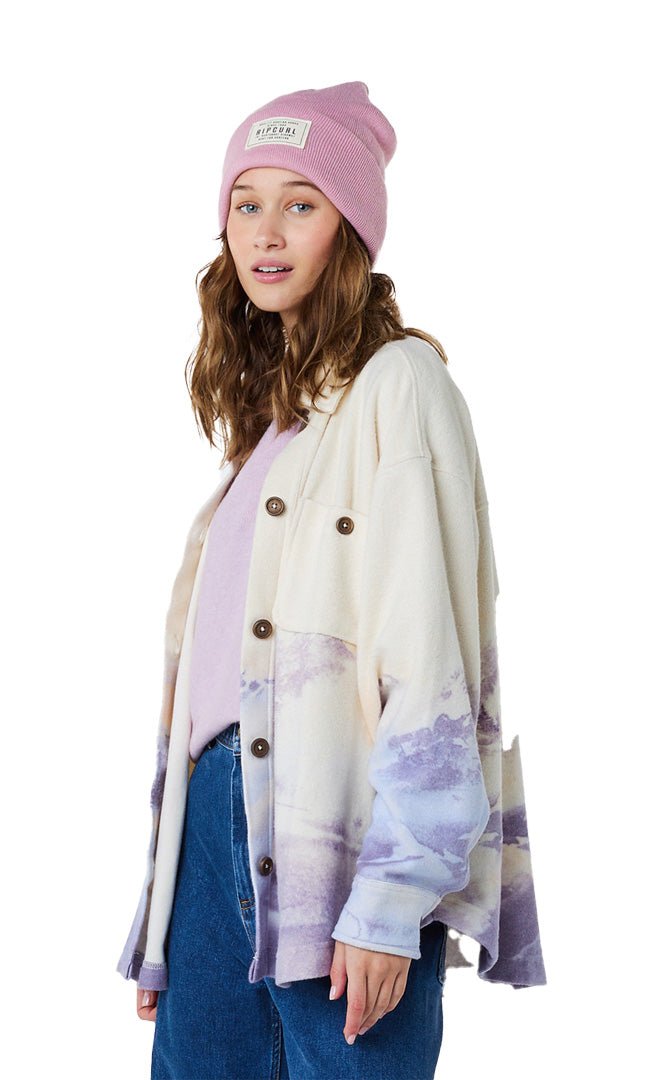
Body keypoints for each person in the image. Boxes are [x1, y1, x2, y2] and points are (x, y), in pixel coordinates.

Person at [116, 81, 547, 1079]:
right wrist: (163, 917)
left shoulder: (401, 387)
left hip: (337, 841)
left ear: (349, 228)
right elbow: (207, 699)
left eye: (300, 203)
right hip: (213, 840)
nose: (265, 232)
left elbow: (431, 665)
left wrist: (392, 901)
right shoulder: (274, 427)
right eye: (246, 203)